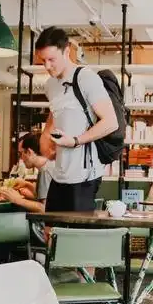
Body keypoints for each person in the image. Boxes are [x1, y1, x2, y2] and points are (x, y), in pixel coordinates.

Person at [36, 27, 118, 212]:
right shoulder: (50, 85)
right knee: (51, 226)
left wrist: (75, 141)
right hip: (59, 173)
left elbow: (110, 122)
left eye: (51, 59)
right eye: (43, 61)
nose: (47, 66)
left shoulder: (86, 78)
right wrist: (45, 135)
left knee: (75, 229)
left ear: (66, 52)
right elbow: (56, 112)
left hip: (84, 175)